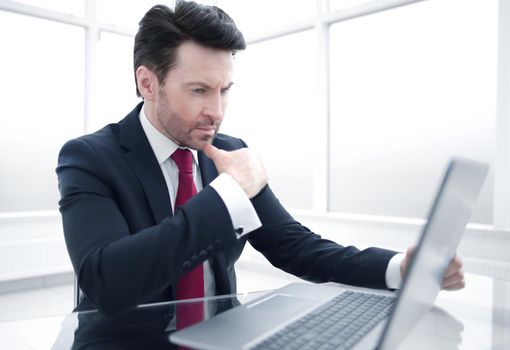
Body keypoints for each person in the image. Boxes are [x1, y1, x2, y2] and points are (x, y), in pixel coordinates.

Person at [56, 0, 464, 320]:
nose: (216, 111)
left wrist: (398, 268)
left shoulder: (228, 151)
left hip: (220, 336)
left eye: (225, 89)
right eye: (199, 90)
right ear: (148, 83)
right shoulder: (90, 157)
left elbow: (296, 247)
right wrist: (228, 195)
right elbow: (106, 281)